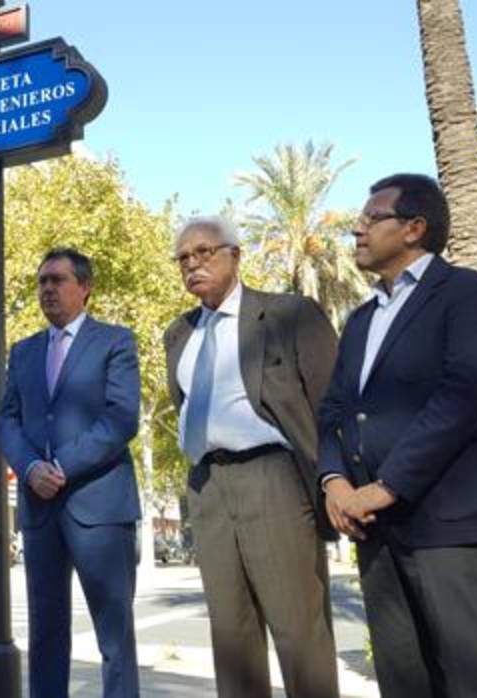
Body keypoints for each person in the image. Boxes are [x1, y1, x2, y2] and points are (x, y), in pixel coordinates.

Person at [318, 174, 477, 697]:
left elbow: (462, 399)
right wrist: (334, 481)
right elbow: (335, 409)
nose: (357, 231)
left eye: (371, 219)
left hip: (449, 526)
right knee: (404, 679)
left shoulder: (470, 296)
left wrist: (386, 485)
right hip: (377, 531)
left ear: (414, 228)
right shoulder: (362, 319)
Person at [164, 216, 340, 698]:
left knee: (297, 631)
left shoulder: (289, 314)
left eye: (204, 252)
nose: (192, 264)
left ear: (236, 255)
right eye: (183, 258)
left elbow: (331, 406)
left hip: (274, 480)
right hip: (207, 488)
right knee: (232, 638)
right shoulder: (178, 334)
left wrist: (336, 483)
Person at [0, 248, 141, 698]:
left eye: (57, 280)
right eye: (41, 282)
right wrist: (30, 467)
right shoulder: (23, 353)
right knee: (45, 629)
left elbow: (122, 418)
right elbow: (7, 421)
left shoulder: (115, 341)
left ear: (85, 287)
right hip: (40, 511)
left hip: (99, 507)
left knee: (114, 634)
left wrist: (61, 466)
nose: (47, 289)